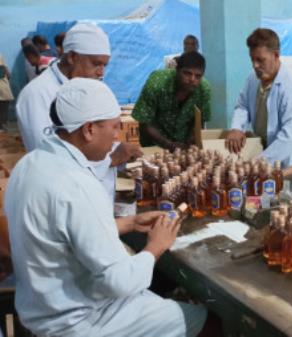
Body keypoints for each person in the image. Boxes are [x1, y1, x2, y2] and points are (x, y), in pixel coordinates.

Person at [5, 78, 207, 337]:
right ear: (88, 130)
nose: (117, 136)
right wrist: (155, 246)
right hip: (80, 321)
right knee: (204, 320)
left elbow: (57, 233)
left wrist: (128, 223)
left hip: (41, 310)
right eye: (113, 127)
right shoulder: (77, 184)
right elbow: (118, 282)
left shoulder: (29, 165)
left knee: (156, 300)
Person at [16, 22, 142, 198]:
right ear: (72, 57)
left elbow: (94, 140)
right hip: (70, 199)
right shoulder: (37, 95)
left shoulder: (90, 86)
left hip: (97, 198)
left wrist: (119, 151)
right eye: (96, 63)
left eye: (105, 65)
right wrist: (111, 159)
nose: (101, 72)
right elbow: (50, 164)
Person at [226, 28, 292, 167]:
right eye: (252, 59)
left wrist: (258, 162)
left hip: (287, 163)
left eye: (260, 60)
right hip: (263, 154)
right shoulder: (253, 79)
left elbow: (290, 136)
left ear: (276, 55)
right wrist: (237, 128)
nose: (255, 65)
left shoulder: (291, 86)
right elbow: (243, 105)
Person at [133, 51, 211, 150]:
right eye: (187, 73)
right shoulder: (157, 83)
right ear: (177, 70)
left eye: (198, 76)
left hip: (183, 146)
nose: (192, 79)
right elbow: (144, 122)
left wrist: (192, 138)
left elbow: (200, 121)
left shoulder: (204, 90)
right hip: (155, 145)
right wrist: (167, 144)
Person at [0, 53, 14, 131]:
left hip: (2, 92)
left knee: (2, 122)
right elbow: (8, 75)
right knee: (3, 121)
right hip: (3, 91)